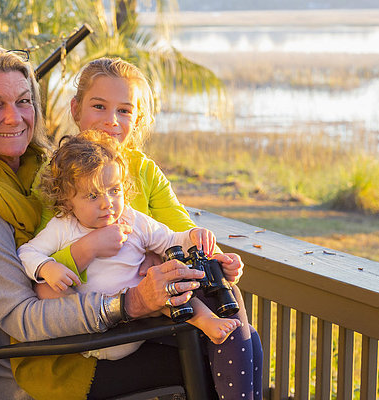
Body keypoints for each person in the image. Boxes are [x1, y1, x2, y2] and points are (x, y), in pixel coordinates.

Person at [0, 45, 243, 400]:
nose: (14, 118)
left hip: (88, 336)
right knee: (206, 351)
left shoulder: (44, 174)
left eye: (24, 101)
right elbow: (23, 318)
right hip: (47, 366)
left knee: (223, 323)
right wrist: (129, 303)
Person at [59, 57, 264, 399]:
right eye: (99, 106)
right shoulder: (59, 172)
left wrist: (212, 254)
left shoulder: (143, 170)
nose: (111, 121)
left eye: (124, 111)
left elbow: (182, 230)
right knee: (241, 339)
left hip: (161, 305)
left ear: (137, 119)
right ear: (76, 109)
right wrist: (92, 247)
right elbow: (42, 257)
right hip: (104, 314)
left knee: (230, 311)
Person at [18, 130, 241, 361]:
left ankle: (207, 321)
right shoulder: (63, 227)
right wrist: (46, 267)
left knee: (172, 290)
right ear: (67, 199)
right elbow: (27, 252)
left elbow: (170, 240)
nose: (108, 204)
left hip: (140, 319)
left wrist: (193, 235)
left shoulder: (132, 220)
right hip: (90, 331)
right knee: (45, 289)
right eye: (93, 196)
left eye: (114, 191)